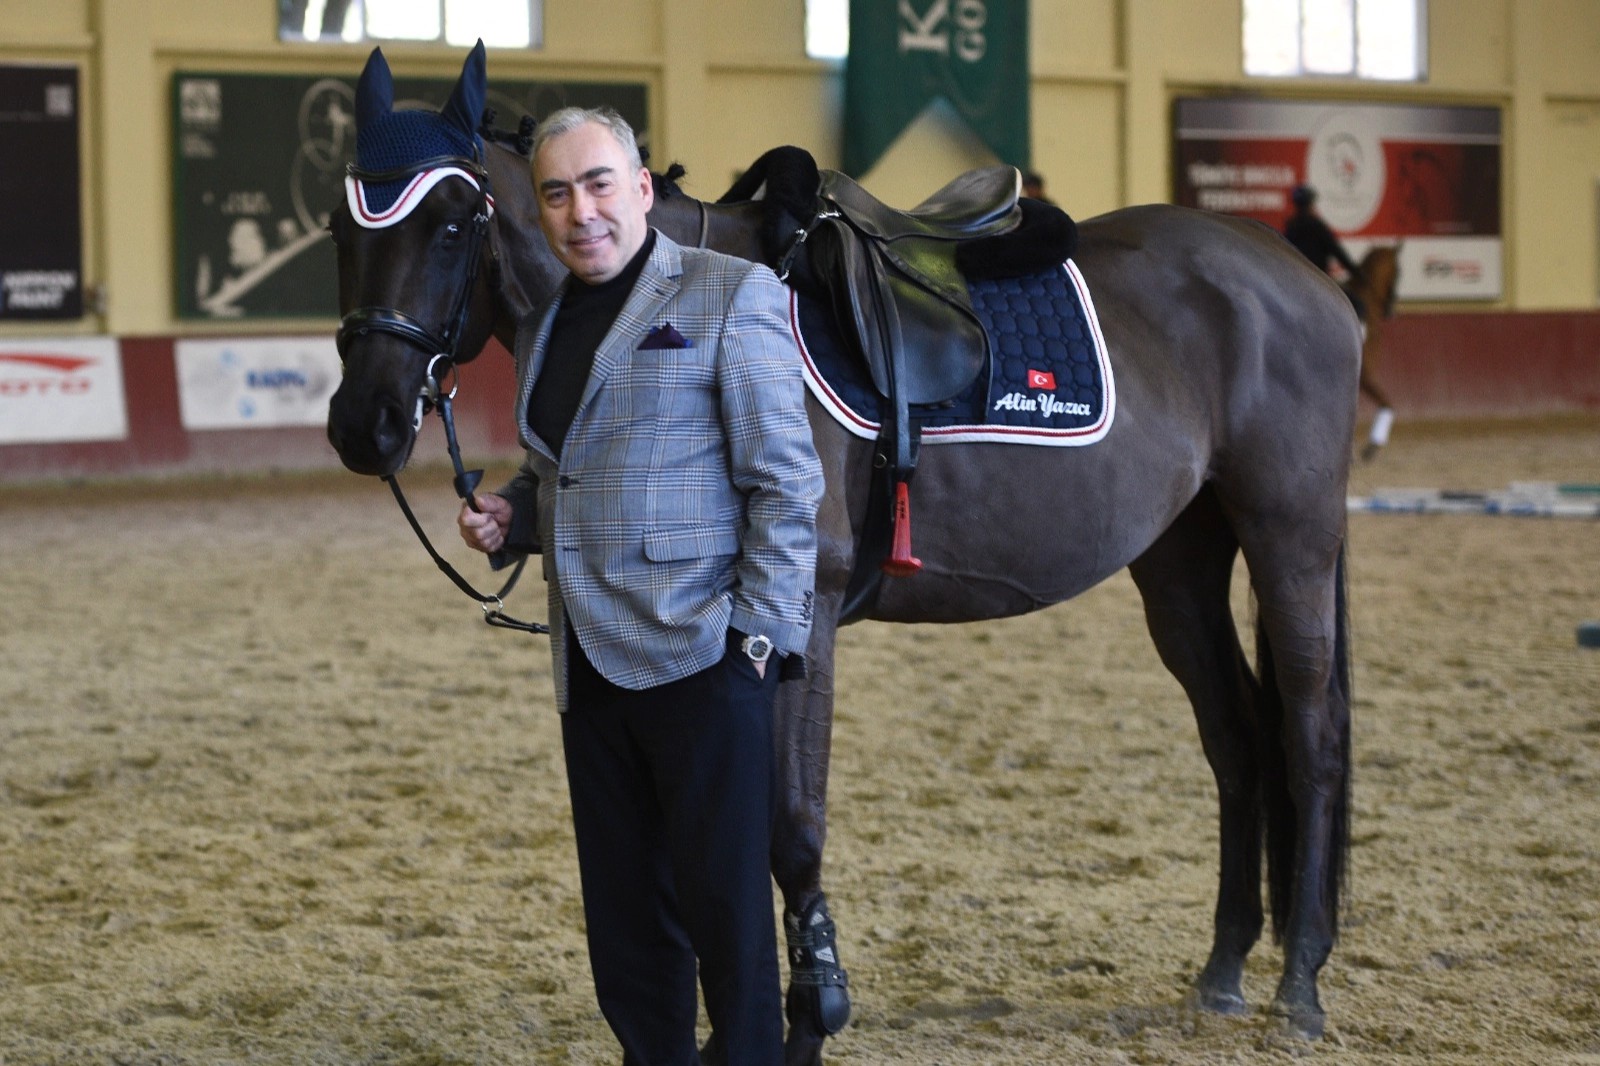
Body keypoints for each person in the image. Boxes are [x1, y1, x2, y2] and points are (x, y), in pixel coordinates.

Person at [457, 106, 825, 1065]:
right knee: (626, 928)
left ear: (641, 189)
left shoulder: (729, 294)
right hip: (589, 665)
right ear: (536, 211)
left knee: (727, 925)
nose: (581, 211)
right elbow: (562, 468)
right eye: (557, 192)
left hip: (708, 660)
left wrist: (760, 644)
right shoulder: (541, 328)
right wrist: (515, 518)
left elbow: (786, 485)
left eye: (598, 184)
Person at [1284, 184, 1362, 284]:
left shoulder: (1291, 226)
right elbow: (1336, 250)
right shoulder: (1317, 226)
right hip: (1319, 282)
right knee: (1352, 299)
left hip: (1295, 282)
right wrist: (1356, 272)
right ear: (1311, 205)